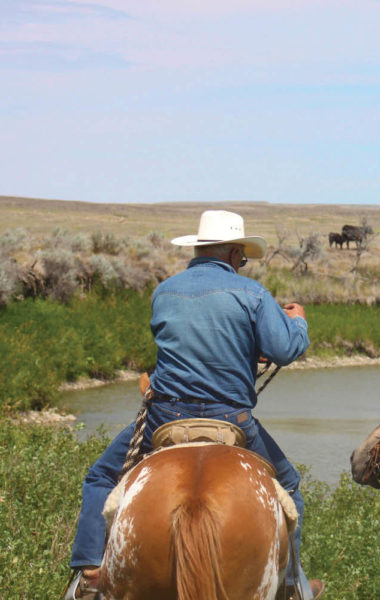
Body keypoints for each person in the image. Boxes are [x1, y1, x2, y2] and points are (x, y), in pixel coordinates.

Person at [64, 210, 324, 600]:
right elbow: (285, 349)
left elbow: (190, 344)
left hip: (164, 416)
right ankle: (293, 585)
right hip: (230, 419)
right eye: (243, 258)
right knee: (290, 486)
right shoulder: (252, 294)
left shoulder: (164, 291)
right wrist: (298, 321)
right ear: (235, 252)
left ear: (200, 248)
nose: (242, 264)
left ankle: (88, 574)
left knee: (101, 479)